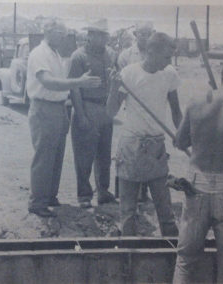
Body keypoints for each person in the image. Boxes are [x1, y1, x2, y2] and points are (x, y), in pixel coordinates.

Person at [107, 32, 181, 236]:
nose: (169, 62)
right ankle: (126, 257)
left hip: (157, 147)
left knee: (165, 211)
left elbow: (176, 112)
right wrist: (113, 88)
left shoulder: (170, 74)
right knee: (128, 212)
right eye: (166, 57)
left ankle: (171, 257)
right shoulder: (129, 74)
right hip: (131, 146)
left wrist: (181, 135)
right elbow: (110, 112)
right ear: (151, 51)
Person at [27, 20, 102, 218]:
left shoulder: (55, 54)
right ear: (49, 31)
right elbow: (48, 82)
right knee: (44, 156)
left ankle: (50, 196)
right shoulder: (39, 54)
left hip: (59, 108)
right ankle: (37, 201)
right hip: (44, 107)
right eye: (61, 33)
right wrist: (78, 82)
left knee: (57, 155)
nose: (64, 37)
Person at [173, 58, 223, 283]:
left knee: (185, 261)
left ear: (222, 76)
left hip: (196, 186)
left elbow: (180, 142)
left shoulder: (197, 101)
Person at [68, 19, 116, 209]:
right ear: (89, 35)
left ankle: (103, 192)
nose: (102, 38)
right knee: (84, 155)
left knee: (104, 154)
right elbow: (74, 89)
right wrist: (80, 116)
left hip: (105, 108)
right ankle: (84, 195)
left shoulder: (111, 54)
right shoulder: (78, 56)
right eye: (98, 34)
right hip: (86, 106)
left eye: (104, 35)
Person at [116, 21, 155, 202]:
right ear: (136, 35)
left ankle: (144, 191)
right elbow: (121, 84)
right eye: (142, 34)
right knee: (130, 149)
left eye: (148, 33)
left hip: (150, 108)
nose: (145, 37)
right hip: (131, 107)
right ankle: (127, 192)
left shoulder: (155, 54)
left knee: (149, 148)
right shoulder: (125, 55)